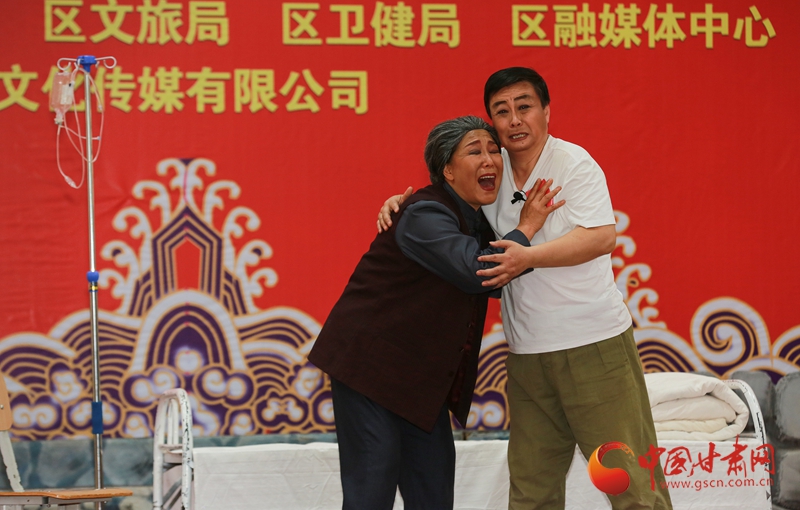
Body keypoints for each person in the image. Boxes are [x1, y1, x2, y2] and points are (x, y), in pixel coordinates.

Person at [378, 68, 672, 510]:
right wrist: (404, 204)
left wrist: (527, 255)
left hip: (593, 346)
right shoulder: (491, 171)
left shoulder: (573, 163)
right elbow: (450, 208)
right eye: (502, 111)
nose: (514, 120)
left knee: (630, 483)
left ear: (546, 112)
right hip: (528, 353)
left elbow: (600, 237)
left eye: (524, 106)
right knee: (532, 490)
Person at [308, 115, 563, 510]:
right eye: (475, 151)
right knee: (371, 493)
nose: (490, 160)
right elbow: (479, 271)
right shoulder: (424, 213)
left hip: (419, 384)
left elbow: (499, 274)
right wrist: (527, 226)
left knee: (433, 493)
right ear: (447, 170)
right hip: (369, 372)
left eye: (493, 150)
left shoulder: (478, 220)